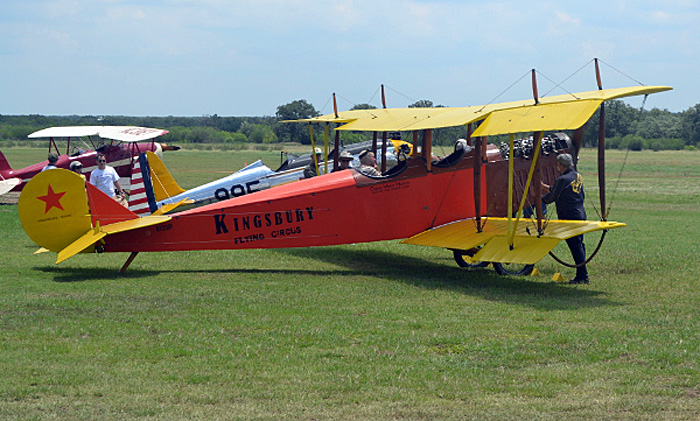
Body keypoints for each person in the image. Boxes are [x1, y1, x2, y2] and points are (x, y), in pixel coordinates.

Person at [541, 153, 589, 284]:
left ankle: (583, 276)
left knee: (575, 246)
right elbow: (563, 189)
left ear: (560, 165)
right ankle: (582, 274)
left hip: (569, 217)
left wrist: (538, 199)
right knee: (579, 244)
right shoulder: (577, 176)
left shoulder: (562, 179)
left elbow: (551, 197)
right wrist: (545, 186)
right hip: (580, 214)